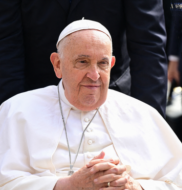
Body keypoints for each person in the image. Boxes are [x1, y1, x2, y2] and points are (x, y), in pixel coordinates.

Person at [0, 19, 182, 190]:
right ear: (58, 64)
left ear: (112, 64)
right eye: (82, 62)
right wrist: (70, 188)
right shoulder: (17, 111)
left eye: (102, 63)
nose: (94, 75)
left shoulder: (143, 114)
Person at [0, 0, 167, 116]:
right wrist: (10, 116)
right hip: (35, 100)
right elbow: (6, 44)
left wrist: (150, 122)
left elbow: (148, 46)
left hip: (110, 99)